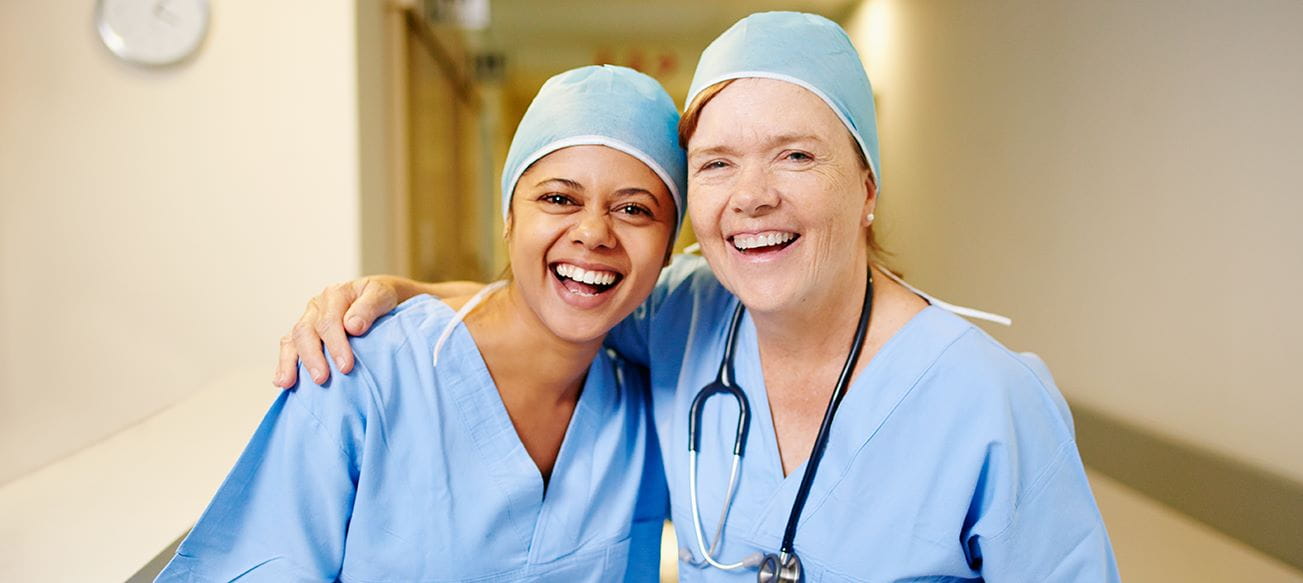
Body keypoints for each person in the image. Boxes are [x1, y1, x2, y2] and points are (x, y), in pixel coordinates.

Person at [277, 13, 1119, 582]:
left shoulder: (988, 400)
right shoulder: (685, 315)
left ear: (866, 183)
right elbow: (568, 287)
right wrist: (405, 293)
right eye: (716, 162)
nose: (751, 196)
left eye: (794, 155)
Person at [159, 65, 684, 582]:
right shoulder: (359, 367)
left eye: (635, 210)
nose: (593, 233)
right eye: (559, 198)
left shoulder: (641, 411)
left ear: (666, 252)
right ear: (508, 216)